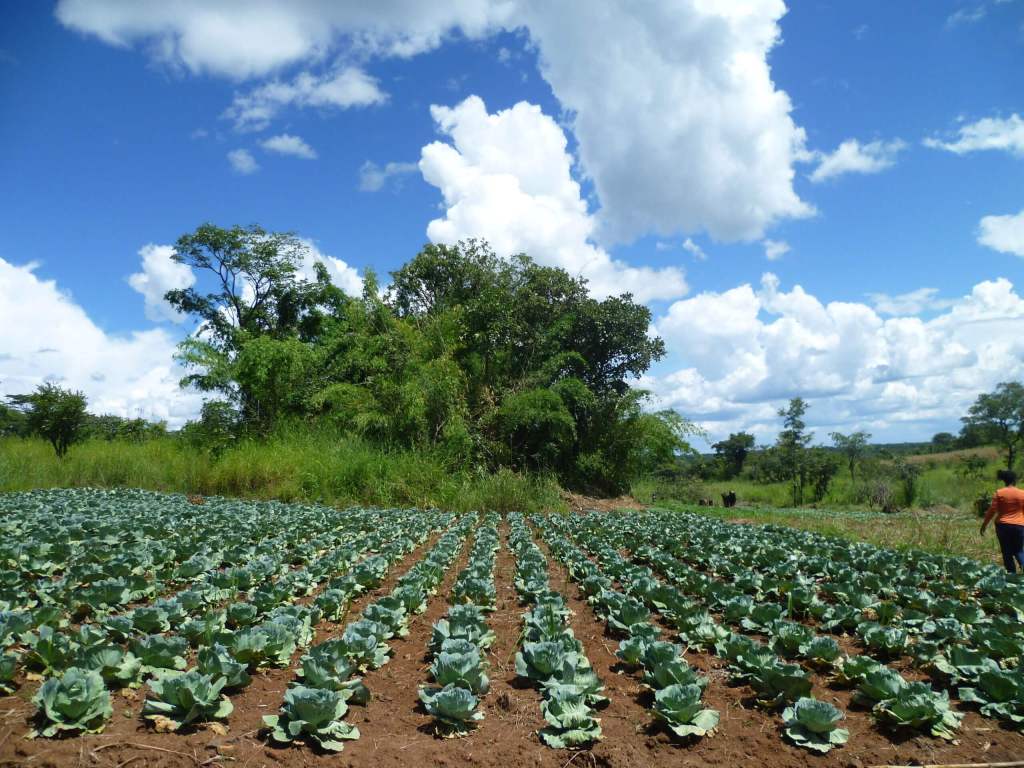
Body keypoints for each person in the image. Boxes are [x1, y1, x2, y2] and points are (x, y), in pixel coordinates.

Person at [980, 469, 1024, 574]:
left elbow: (992, 510)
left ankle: (1011, 576)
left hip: (1003, 526)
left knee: (1007, 552)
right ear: (1014, 480)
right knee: (1019, 550)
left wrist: (984, 525)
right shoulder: (1022, 493)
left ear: (1004, 481)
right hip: (1019, 526)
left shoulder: (1000, 493)